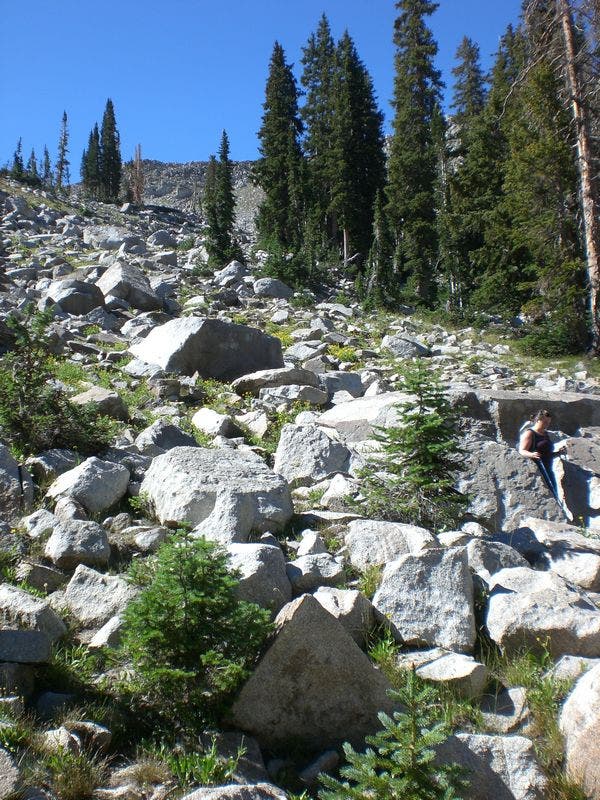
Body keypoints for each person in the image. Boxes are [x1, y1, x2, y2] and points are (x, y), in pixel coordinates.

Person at [518, 409, 566, 500]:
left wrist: (558, 453)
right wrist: (531, 454)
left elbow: (546, 454)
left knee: (554, 496)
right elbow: (522, 450)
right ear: (538, 420)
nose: (547, 425)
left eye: (548, 422)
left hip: (548, 470)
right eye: (545, 422)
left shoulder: (545, 434)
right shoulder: (530, 433)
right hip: (537, 470)